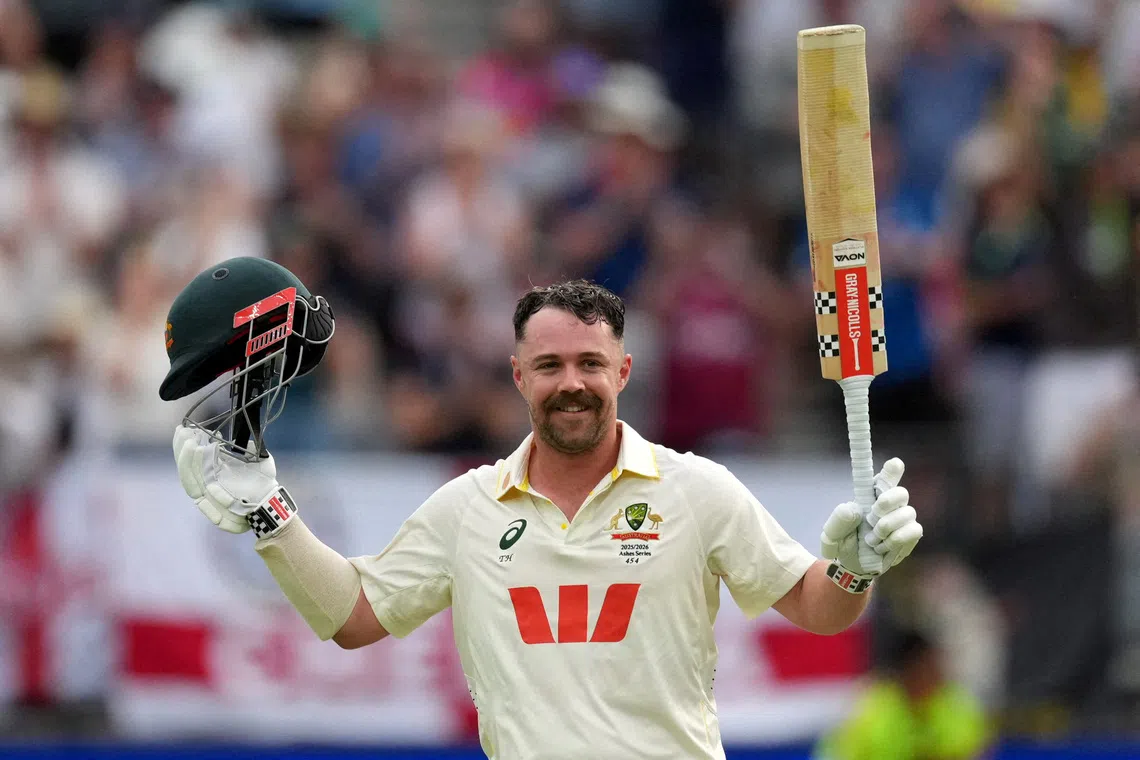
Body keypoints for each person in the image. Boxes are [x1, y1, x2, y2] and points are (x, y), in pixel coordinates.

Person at [170, 278, 923, 760]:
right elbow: (354, 617)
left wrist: (856, 566)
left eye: (592, 365)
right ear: (518, 375)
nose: (573, 384)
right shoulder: (470, 507)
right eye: (552, 366)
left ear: (622, 373)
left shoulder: (696, 490)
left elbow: (819, 609)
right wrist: (271, 520)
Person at [814, 629, 992, 760]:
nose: (939, 674)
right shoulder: (870, 711)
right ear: (908, 670)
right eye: (928, 668)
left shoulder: (957, 706)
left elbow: (976, 751)